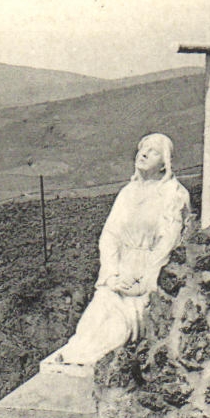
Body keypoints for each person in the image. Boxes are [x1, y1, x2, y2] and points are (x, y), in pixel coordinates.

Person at [52, 132, 191, 367]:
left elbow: (168, 244)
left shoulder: (174, 195)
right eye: (142, 148)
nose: (144, 153)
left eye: (153, 151)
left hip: (149, 276)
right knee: (94, 316)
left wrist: (143, 281)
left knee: (120, 326)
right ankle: (76, 359)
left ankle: (97, 363)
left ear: (164, 163)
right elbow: (110, 236)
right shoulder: (127, 193)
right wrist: (112, 275)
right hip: (120, 273)